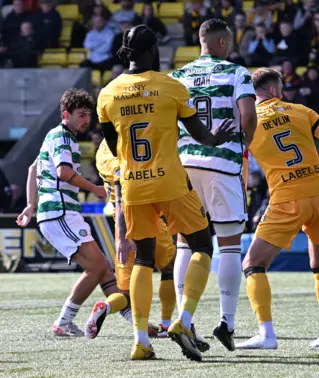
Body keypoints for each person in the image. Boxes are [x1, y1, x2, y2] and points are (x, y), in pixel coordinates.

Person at [97, 24, 235, 361]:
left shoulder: (107, 94)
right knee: (202, 243)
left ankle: (141, 340)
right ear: (152, 51)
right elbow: (201, 136)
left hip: (132, 186)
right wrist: (217, 137)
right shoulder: (171, 88)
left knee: (144, 259)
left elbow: (114, 147)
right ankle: (184, 320)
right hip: (171, 182)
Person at [237, 68, 319, 349]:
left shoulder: (248, 122)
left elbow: (241, 166)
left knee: (252, 264)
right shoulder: (302, 110)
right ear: (275, 90)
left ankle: (266, 334)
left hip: (287, 196)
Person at [170, 18, 258, 352]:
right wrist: (243, 144)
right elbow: (248, 117)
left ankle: (185, 319)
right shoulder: (236, 72)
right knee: (230, 245)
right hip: (221, 163)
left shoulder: (179, 76)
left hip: (184, 165)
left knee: (185, 243)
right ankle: (227, 323)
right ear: (223, 42)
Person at [15, 89, 127, 338]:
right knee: (97, 266)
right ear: (66, 114)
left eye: (88, 115)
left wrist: (31, 204)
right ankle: (63, 321)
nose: (86, 121)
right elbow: (64, 173)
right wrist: (95, 188)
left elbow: (34, 169)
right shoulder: (63, 138)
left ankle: (136, 322)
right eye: (81, 115)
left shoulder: (53, 136)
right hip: (60, 213)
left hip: (59, 213)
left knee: (103, 268)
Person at [83, 140, 178, 340]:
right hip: (139, 215)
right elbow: (122, 195)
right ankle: (166, 323)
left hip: (121, 225)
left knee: (125, 294)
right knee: (168, 266)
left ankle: (107, 306)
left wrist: (122, 237)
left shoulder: (102, 151)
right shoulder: (122, 151)